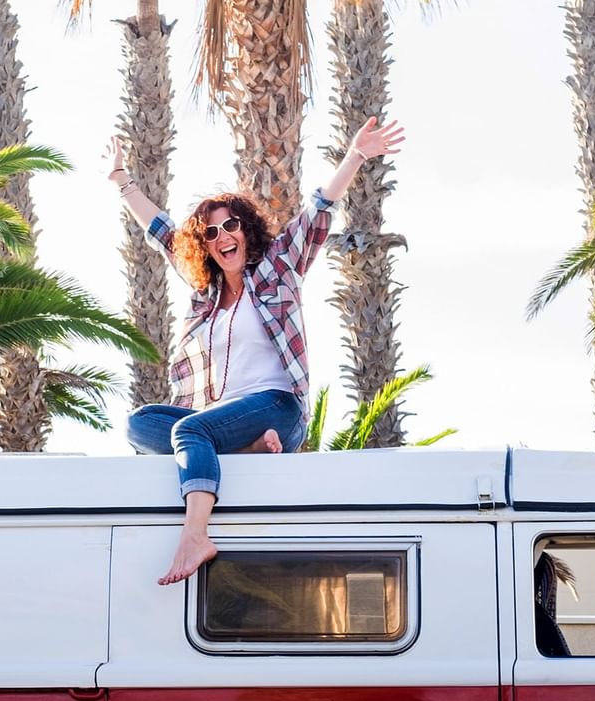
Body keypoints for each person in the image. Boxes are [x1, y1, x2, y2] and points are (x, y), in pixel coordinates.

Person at [105, 117, 405, 586]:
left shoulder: (276, 270)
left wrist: (356, 155)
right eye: (211, 232)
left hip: (276, 409)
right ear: (203, 245)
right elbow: (162, 232)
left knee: (188, 433)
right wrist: (122, 181)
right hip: (222, 420)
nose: (223, 236)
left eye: (231, 226)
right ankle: (243, 451)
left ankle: (195, 535)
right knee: (138, 422)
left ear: (245, 230)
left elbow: (318, 212)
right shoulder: (204, 294)